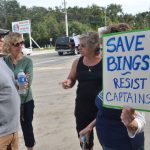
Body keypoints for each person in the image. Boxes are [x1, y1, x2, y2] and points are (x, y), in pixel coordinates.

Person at [79, 23, 145, 150]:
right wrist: (90, 126)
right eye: (105, 49)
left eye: (111, 50)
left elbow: (141, 121)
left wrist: (130, 124)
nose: (105, 55)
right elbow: (104, 111)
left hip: (125, 145)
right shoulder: (110, 75)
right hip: (106, 142)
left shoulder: (134, 80)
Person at [61, 31, 103, 150]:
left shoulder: (106, 62)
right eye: (79, 44)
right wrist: (68, 83)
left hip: (102, 108)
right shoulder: (77, 62)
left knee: (106, 140)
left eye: (83, 45)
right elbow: (71, 78)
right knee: (85, 142)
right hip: (82, 108)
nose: (79, 47)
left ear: (94, 46)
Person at [3, 32, 35, 150]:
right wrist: (18, 82)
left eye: (21, 43)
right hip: (9, 103)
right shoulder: (4, 61)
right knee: (10, 130)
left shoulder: (27, 61)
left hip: (26, 101)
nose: (20, 46)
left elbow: (27, 83)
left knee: (27, 128)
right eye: (16, 44)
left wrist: (14, 84)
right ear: (9, 46)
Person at [0, 29, 20, 150]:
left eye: (2, 36)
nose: (2, 39)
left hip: (12, 130)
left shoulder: (1, 61)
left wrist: (16, 84)